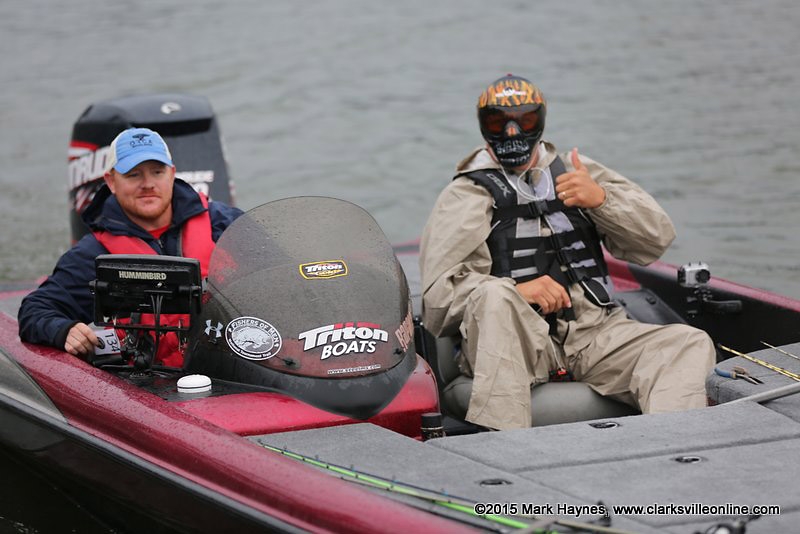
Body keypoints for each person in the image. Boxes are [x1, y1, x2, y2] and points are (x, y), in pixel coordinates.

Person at [419, 74, 716, 430]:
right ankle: (507, 452)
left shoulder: (577, 172)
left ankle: (670, 450)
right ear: (484, 128)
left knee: (688, 343)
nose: (512, 132)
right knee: (496, 296)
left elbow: (654, 241)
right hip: (517, 344)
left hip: (595, 334)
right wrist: (517, 291)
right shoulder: (466, 195)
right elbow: (438, 304)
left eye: (525, 120)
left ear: (540, 121)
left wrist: (602, 201)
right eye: (499, 123)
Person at [18, 127, 243, 366]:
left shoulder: (223, 223)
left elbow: (270, 269)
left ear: (172, 174)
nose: (148, 184)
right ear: (111, 181)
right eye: (134, 174)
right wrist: (64, 330)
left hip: (237, 367)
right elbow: (35, 310)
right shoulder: (93, 254)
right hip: (158, 380)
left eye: (157, 172)